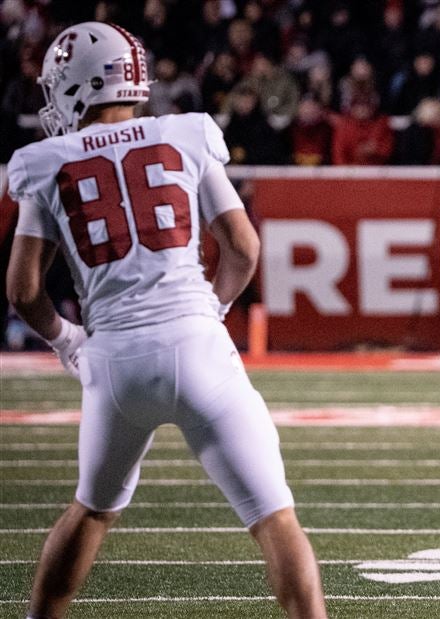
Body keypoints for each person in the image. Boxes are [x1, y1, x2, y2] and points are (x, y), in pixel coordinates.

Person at [5, 22, 326, 618]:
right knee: (275, 517)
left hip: (116, 361)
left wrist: (69, 342)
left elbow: (23, 291)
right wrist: (214, 312)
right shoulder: (185, 133)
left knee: (93, 510)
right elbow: (244, 248)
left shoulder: (47, 160)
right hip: (199, 345)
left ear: (74, 87)